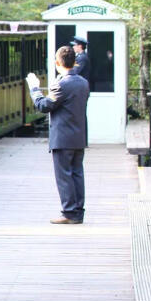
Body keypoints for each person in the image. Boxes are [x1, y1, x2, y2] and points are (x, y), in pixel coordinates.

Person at [27, 46, 90, 224]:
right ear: (74, 61)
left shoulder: (62, 84)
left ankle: (69, 212)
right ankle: (78, 212)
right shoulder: (83, 82)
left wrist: (34, 88)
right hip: (79, 136)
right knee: (77, 174)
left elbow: (44, 106)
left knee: (64, 176)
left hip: (63, 138)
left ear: (57, 63)